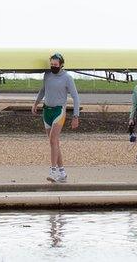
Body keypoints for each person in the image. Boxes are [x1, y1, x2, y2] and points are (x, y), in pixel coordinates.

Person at [32, 53, 80, 183]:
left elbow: (75, 97)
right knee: (54, 143)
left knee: (53, 140)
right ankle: (62, 173)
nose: (53, 66)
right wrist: (36, 103)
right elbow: (43, 90)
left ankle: (53, 171)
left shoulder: (67, 78)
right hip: (46, 110)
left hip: (59, 111)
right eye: (51, 64)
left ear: (61, 64)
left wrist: (76, 116)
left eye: (55, 65)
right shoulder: (47, 75)